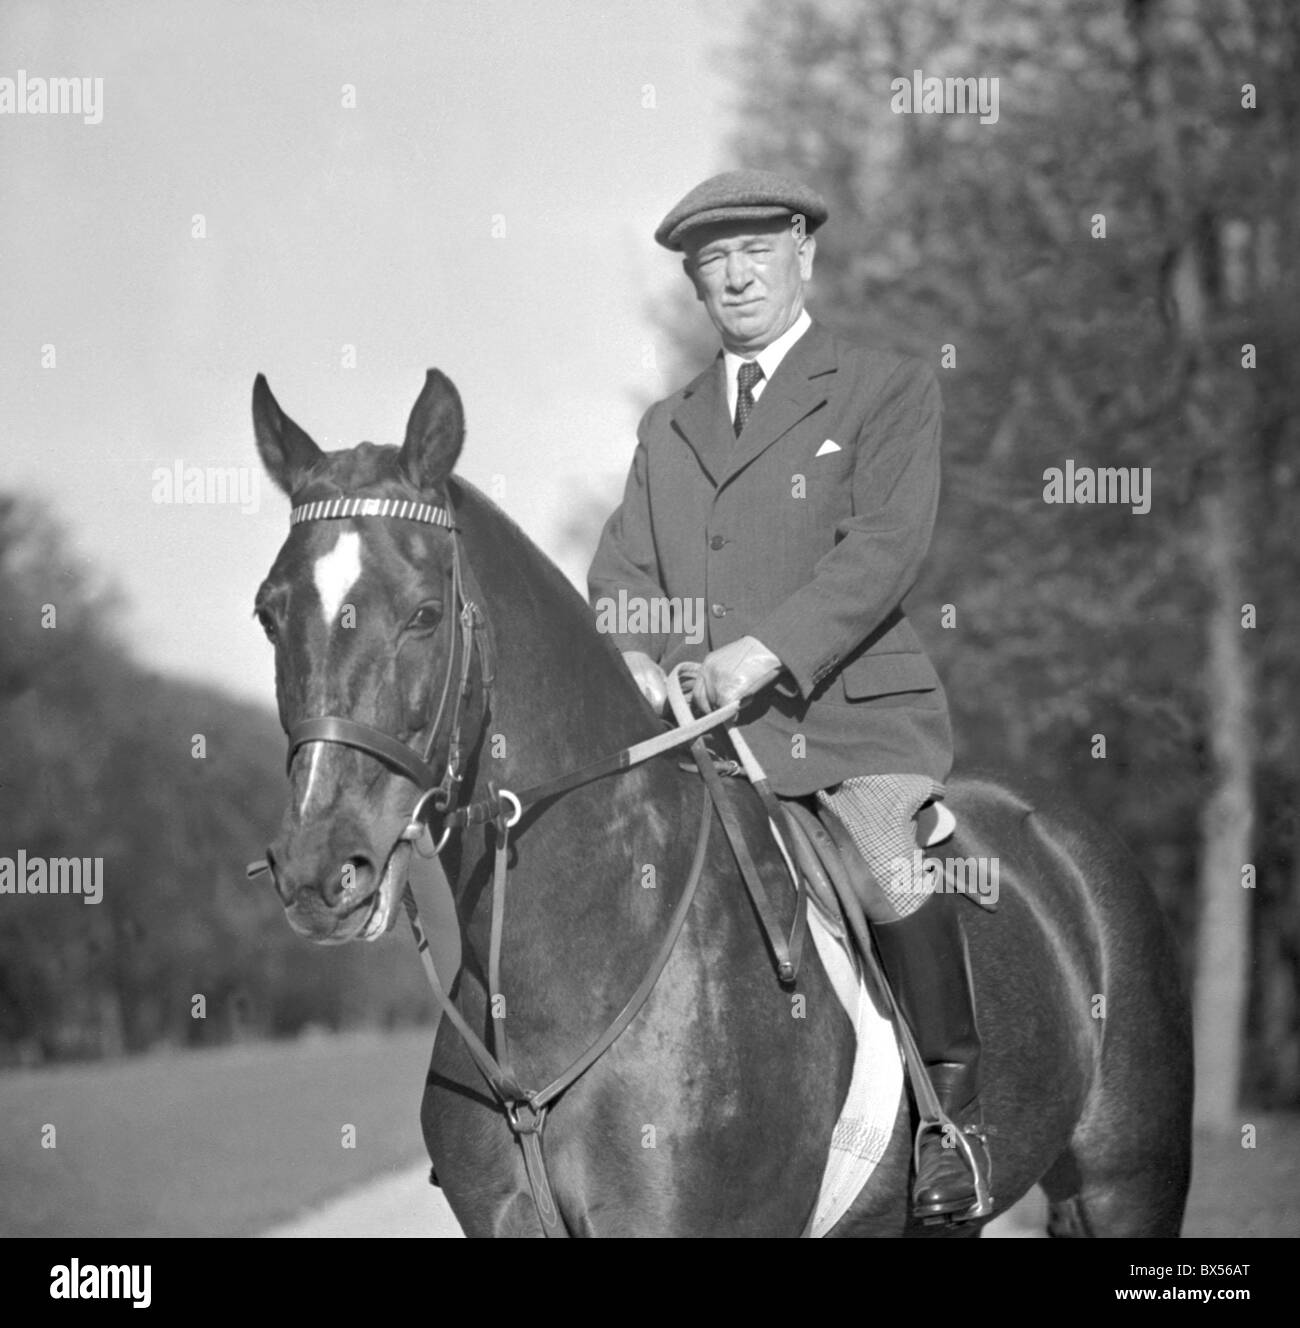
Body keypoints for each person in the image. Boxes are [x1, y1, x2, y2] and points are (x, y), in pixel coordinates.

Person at [587, 169, 991, 1222]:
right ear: (694, 281)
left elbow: (885, 548)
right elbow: (621, 576)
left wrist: (762, 651)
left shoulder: (885, 386)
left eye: (755, 250)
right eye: (713, 260)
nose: (735, 274)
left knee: (886, 865)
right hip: (706, 744)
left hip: (850, 723)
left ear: (802, 253)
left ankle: (953, 1128)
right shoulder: (665, 427)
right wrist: (644, 656)